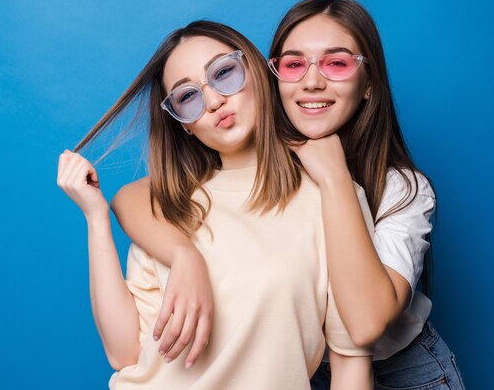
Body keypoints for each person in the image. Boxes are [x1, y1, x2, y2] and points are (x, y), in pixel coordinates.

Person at [112, 0, 466, 389]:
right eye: (295, 64)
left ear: (369, 84)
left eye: (337, 62)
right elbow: (135, 197)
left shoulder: (400, 188)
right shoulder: (250, 153)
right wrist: (183, 255)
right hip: (304, 364)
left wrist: (333, 178)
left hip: (401, 368)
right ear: (272, 76)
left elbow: (364, 326)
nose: (312, 81)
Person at [57, 20, 373, 389]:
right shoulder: (164, 208)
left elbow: (351, 360)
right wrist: (96, 218)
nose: (212, 101)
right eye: (187, 96)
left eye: (224, 73)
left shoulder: (330, 196)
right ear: (184, 125)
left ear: (256, 71)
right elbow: (124, 353)